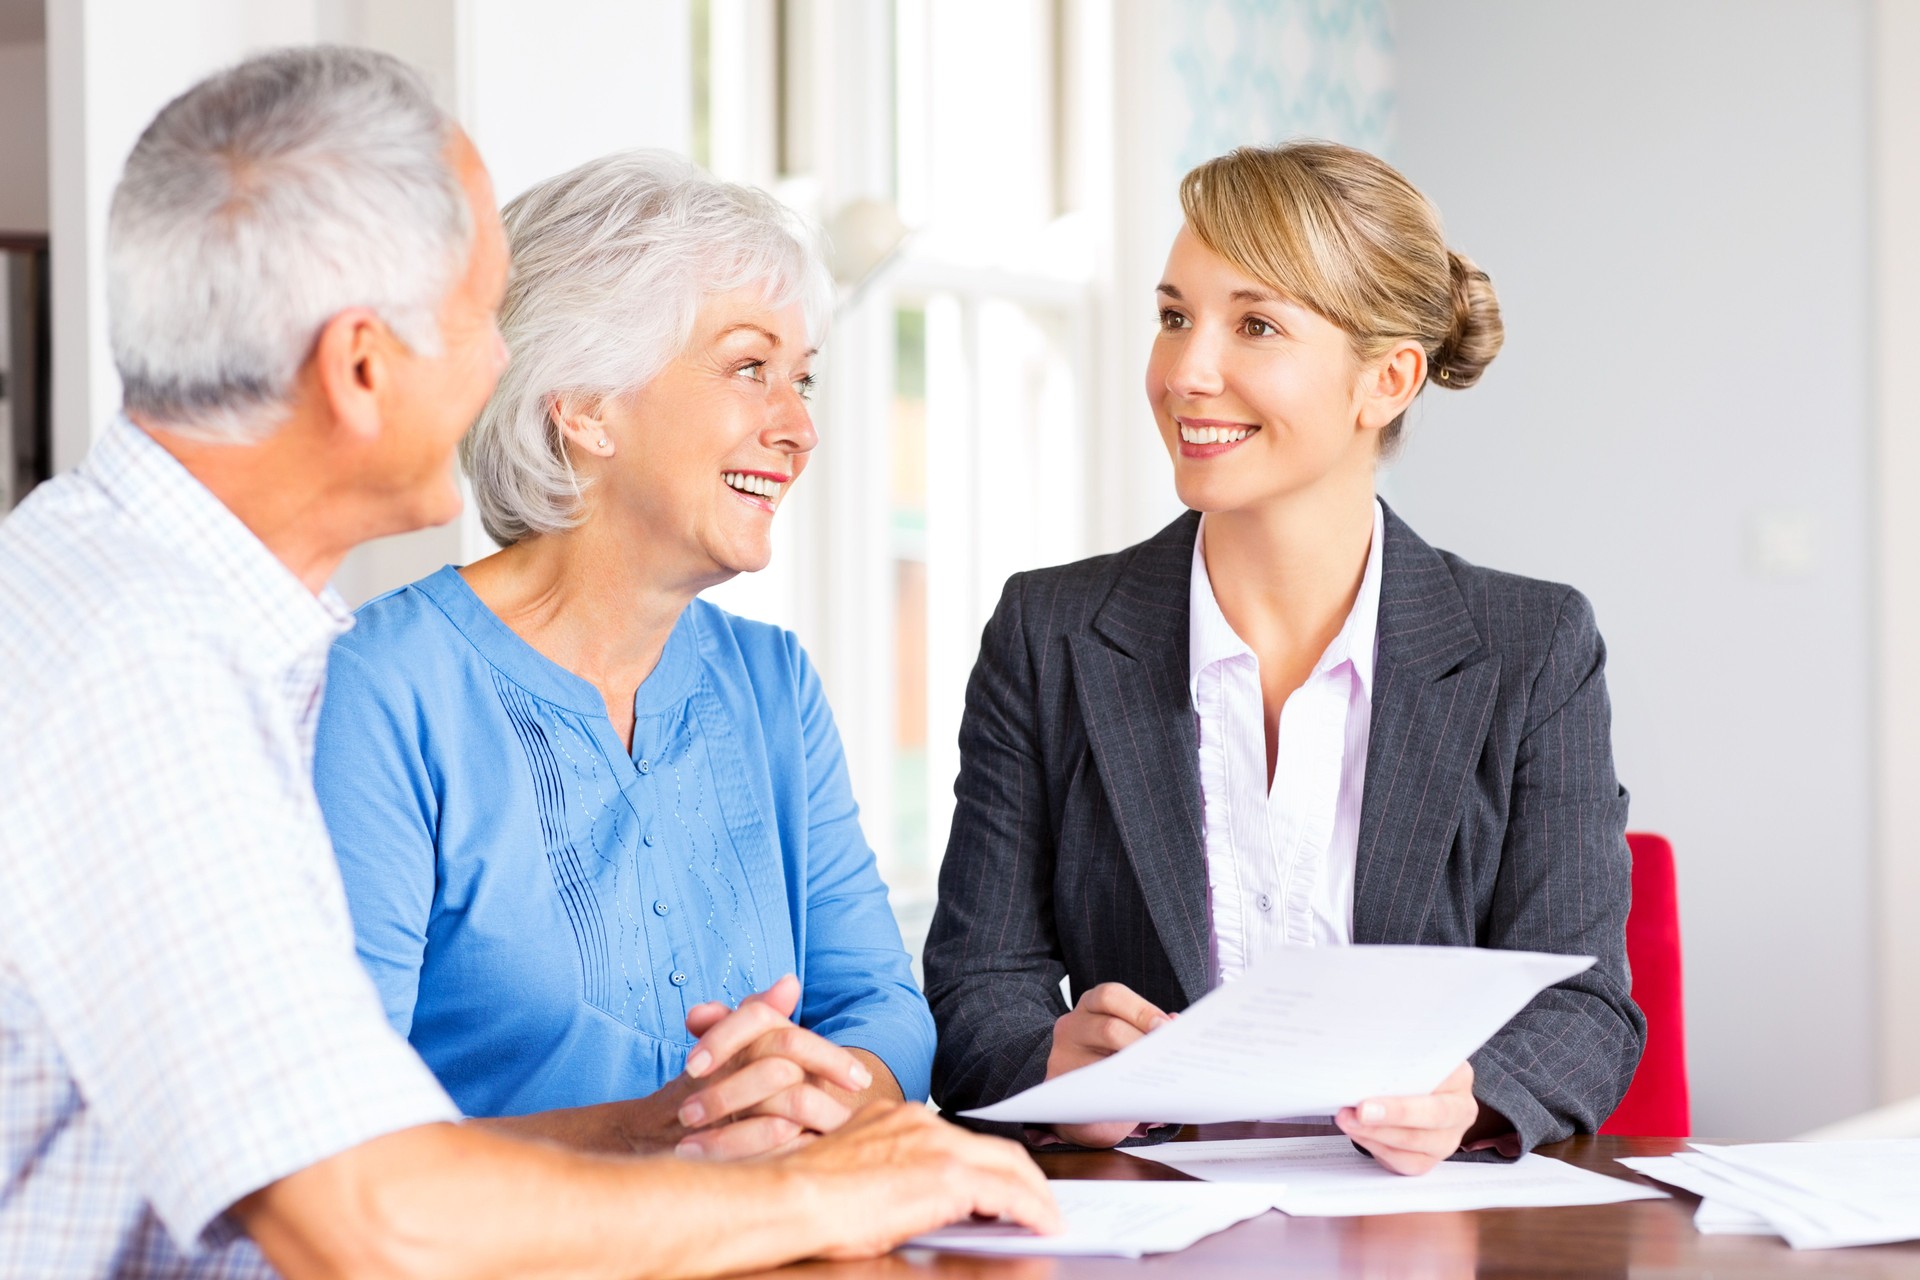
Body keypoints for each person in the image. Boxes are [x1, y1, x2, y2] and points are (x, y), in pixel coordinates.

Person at [0, 46, 1054, 1278]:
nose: (505, 362)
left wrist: (673, 1130)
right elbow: (361, 1218)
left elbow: (350, 1147)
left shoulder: (125, 599)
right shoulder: (146, 669)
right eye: (474, 321)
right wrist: (817, 1191)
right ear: (359, 366)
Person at [923, 141, 1646, 1173]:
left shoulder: (1532, 648)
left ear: (1386, 380)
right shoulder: (1049, 633)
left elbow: (1584, 1008)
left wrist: (1469, 1098)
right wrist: (1054, 1063)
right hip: (1143, 1225)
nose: (1185, 370)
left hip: (1414, 1231)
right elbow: (973, 983)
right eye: (1175, 316)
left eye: (1254, 324)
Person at [311, 150, 931, 1161]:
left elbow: (884, 1003)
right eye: (749, 368)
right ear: (584, 403)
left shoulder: (773, 684)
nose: (800, 427)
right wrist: (667, 1130)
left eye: (801, 378)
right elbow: (340, 1134)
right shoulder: (384, 687)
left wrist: (814, 1090)